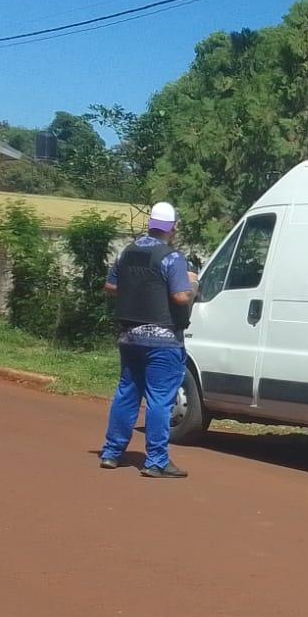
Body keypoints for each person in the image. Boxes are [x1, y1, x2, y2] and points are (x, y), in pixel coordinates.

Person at [99, 201, 198, 478]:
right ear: (173, 228)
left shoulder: (127, 253)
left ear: (150, 224)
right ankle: (156, 460)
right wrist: (192, 284)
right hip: (163, 339)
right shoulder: (172, 257)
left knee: (127, 393)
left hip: (129, 336)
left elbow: (110, 285)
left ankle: (111, 453)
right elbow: (180, 296)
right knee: (160, 399)